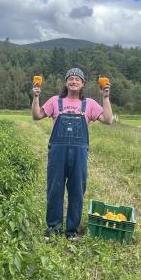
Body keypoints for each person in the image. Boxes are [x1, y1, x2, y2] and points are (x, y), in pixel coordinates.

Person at [31, 67, 113, 241]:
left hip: (79, 153)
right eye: (70, 78)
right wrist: (36, 96)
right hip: (57, 153)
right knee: (54, 190)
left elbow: (108, 120)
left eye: (77, 79)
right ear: (66, 82)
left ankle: (72, 231)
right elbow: (37, 116)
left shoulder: (89, 104)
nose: (73, 81)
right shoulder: (55, 101)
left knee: (77, 191)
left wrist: (105, 98)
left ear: (82, 83)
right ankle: (53, 229)